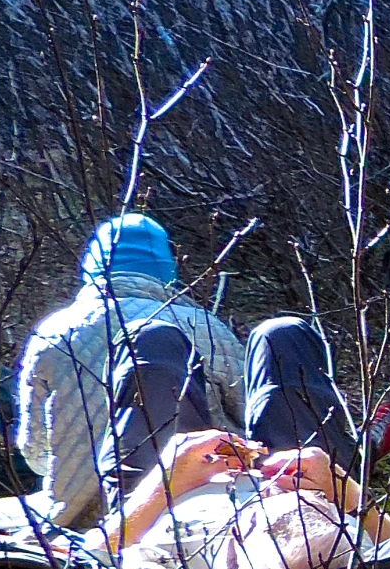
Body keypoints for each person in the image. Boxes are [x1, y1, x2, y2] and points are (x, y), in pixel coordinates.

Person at [92, 316, 390, 569]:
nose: (272, 491)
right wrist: (345, 493)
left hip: (161, 503)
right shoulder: (350, 557)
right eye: (319, 508)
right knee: (283, 336)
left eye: (253, 519)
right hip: (298, 476)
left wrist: (163, 482)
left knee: (149, 341)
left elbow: (80, 560)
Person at [17, 214, 247, 529]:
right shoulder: (205, 327)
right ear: (167, 268)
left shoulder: (52, 333)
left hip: (80, 518)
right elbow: (249, 419)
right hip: (197, 505)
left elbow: (35, 455)